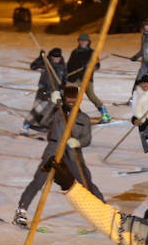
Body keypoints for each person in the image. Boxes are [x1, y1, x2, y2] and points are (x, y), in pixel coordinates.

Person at [14, 85, 103, 227]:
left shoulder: (83, 118)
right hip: (53, 151)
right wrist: (52, 103)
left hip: (73, 154)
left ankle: (104, 212)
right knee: (38, 181)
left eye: (75, 98)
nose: (72, 101)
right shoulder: (56, 112)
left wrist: (78, 142)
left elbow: (87, 139)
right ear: (64, 97)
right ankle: (21, 210)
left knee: (86, 182)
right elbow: (42, 122)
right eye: (69, 97)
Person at [67, 34, 109, 123]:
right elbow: (69, 65)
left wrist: (91, 67)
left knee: (91, 95)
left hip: (86, 78)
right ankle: (70, 113)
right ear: (78, 41)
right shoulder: (75, 52)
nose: (83, 42)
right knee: (69, 93)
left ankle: (105, 113)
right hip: (74, 78)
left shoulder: (92, 53)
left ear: (88, 42)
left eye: (85, 41)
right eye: (81, 40)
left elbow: (97, 66)